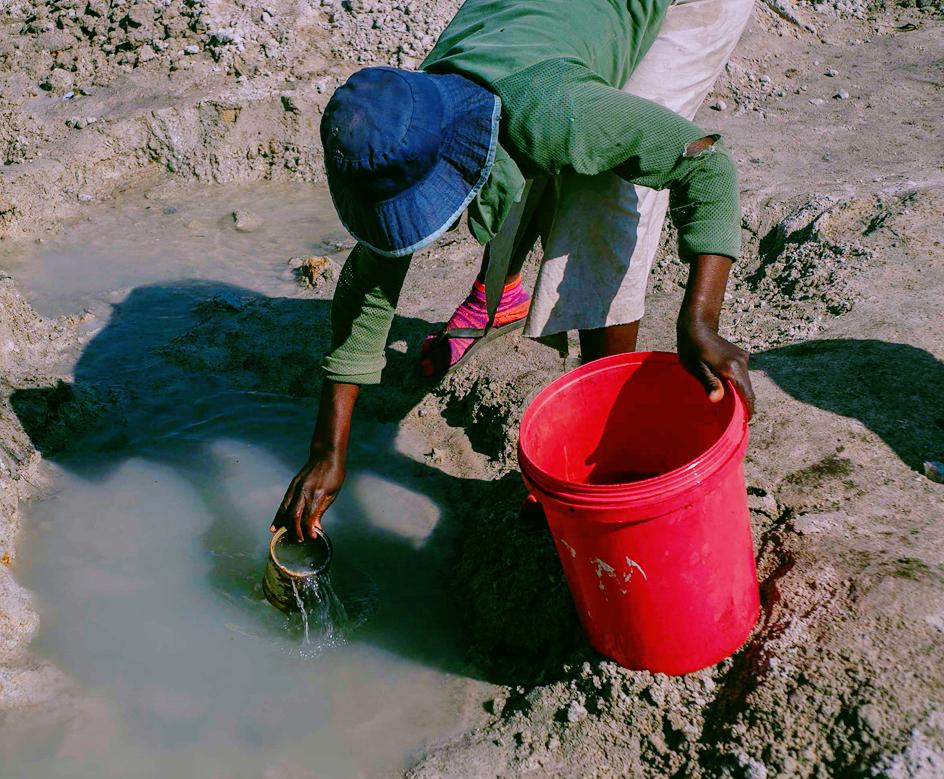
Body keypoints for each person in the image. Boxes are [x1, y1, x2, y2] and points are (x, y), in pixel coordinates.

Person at [272, 0, 758, 541]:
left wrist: (698, 323)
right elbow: (372, 281)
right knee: (534, 153)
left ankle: (607, 445)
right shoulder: (411, 114)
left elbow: (705, 167)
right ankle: (500, 291)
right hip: (548, 49)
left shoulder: (560, 113)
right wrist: (327, 451)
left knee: (603, 197)